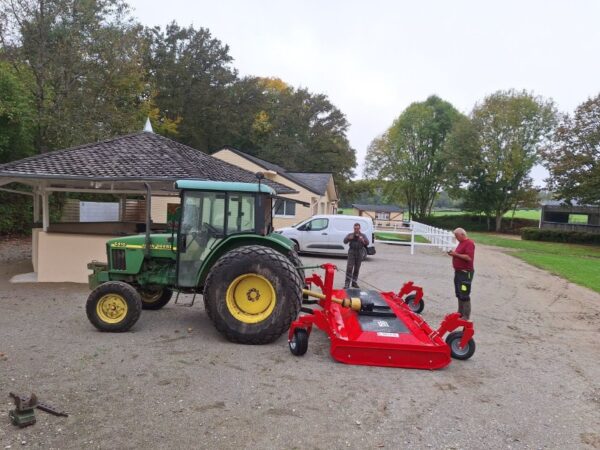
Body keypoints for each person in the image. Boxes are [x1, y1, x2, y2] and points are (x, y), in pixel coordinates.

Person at [447, 227, 475, 320]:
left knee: (464, 293)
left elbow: (468, 258)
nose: (455, 237)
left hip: (466, 273)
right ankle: (460, 313)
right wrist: (454, 254)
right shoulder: (461, 243)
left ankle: (466, 315)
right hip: (459, 272)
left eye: (456, 235)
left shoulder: (469, 243)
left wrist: (455, 254)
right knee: (459, 292)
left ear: (463, 234)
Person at [343, 223, 369, 289]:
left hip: (359, 252)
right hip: (352, 252)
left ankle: (354, 283)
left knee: (357, 268)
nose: (356, 230)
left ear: (359, 228)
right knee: (349, 268)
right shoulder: (350, 234)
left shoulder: (363, 235)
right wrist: (349, 238)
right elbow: (344, 241)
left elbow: (367, 243)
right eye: (355, 228)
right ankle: (347, 283)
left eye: (357, 228)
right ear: (353, 228)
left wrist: (362, 240)